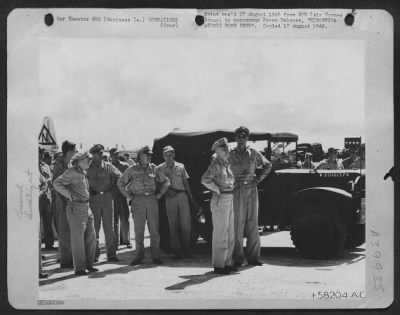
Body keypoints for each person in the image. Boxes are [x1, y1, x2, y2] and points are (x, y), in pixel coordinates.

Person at [117, 145, 170, 265]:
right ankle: (139, 256)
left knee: (154, 230)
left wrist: (159, 194)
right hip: (138, 201)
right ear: (140, 156)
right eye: (147, 155)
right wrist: (129, 196)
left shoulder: (154, 169)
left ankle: (156, 256)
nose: (149, 157)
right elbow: (120, 183)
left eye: (150, 155)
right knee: (139, 230)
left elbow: (166, 182)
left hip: (152, 199)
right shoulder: (132, 169)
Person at [229, 126, 272, 268]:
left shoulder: (253, 153)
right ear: (235, 138)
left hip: (251, 188)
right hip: (236, 188)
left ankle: (254, 257)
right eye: (239, 136)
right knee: (237, 224)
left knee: (252, 223)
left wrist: (258, 179)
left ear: (247, 138)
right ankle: (237, 258)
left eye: (244, 135)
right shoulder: (229, 153)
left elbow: (268, 165)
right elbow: (219, 165)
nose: (241, 138)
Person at [53, 151, 98, 276]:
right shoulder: (72, 172)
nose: (89, 161)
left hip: (86, 206)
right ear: (78, 161)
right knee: (77, 239)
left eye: (89, 159)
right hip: (76, 207)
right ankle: (79, 268)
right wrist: (69, 195)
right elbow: (57, 183)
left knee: (91, 237)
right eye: (86, 159)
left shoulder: (82, 172)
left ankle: (89, 265)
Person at [201, 138, 236, 275]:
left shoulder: (226, 164)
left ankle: (228, 262)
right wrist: (216, 189)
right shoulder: (215, 164)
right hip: (220, 199)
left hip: (230, 197)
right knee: (220, 233)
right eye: (224, 149)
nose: (227, 151)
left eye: (227, 149)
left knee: (230, 233)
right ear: (217, 151)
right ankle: (219, 265)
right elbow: (205, 179)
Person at [157, 145, 197, 259]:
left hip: (182, 195)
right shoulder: (160, 168)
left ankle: (186, 249)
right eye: (166, 155)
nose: (168, 157)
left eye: (170, 154)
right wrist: (166, 192)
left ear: (174, 155)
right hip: (169, 197)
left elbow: (186, 183)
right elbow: (159, 183)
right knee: (173, 224)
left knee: (186, 223)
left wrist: (191, 198)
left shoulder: (181, 166)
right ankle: (177, 250)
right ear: (163, 156)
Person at [87, 144, 121, 262]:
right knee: (94, 228)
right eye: (99, 153)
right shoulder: (88, 168)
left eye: (102, 153)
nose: (101, 155)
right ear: (93, 155)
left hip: (107, 197)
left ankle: (111, 254)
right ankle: (94, 254)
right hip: (93, 199)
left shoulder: (108, 166)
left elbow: (119, 176)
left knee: (109, 228)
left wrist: (112, 186)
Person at [52, 140, 76, 268]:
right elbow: (56, 184)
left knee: (70, 230)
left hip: (70, 201)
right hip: (62, 201)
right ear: (69, 151)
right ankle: (66, 261)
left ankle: (70, 258)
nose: (75, 152)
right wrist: (63, 202)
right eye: (74, 150)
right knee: (64, 231)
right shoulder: (59, 164)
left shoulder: (69, 163)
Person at [109, 148, 132, 249]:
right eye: (113, 154)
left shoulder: (125, 166)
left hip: (122, 195)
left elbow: (131, 179)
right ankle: (115, 242)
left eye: (116, 154)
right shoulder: (108, 167)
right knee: (114, 220)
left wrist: (127, 189)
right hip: (112, 195)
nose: (114, 156)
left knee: (125, 218)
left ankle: (126, 240)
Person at [39, 148, 55, 250]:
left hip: (46, 196)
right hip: (37, 195)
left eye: (41, 154)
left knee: (48, 220)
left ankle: (49, 244)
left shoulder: (46, 166)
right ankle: (37, 247)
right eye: (39, 153)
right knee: (37, 222)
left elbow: (50, 179)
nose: (41, 156)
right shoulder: (31, 164)